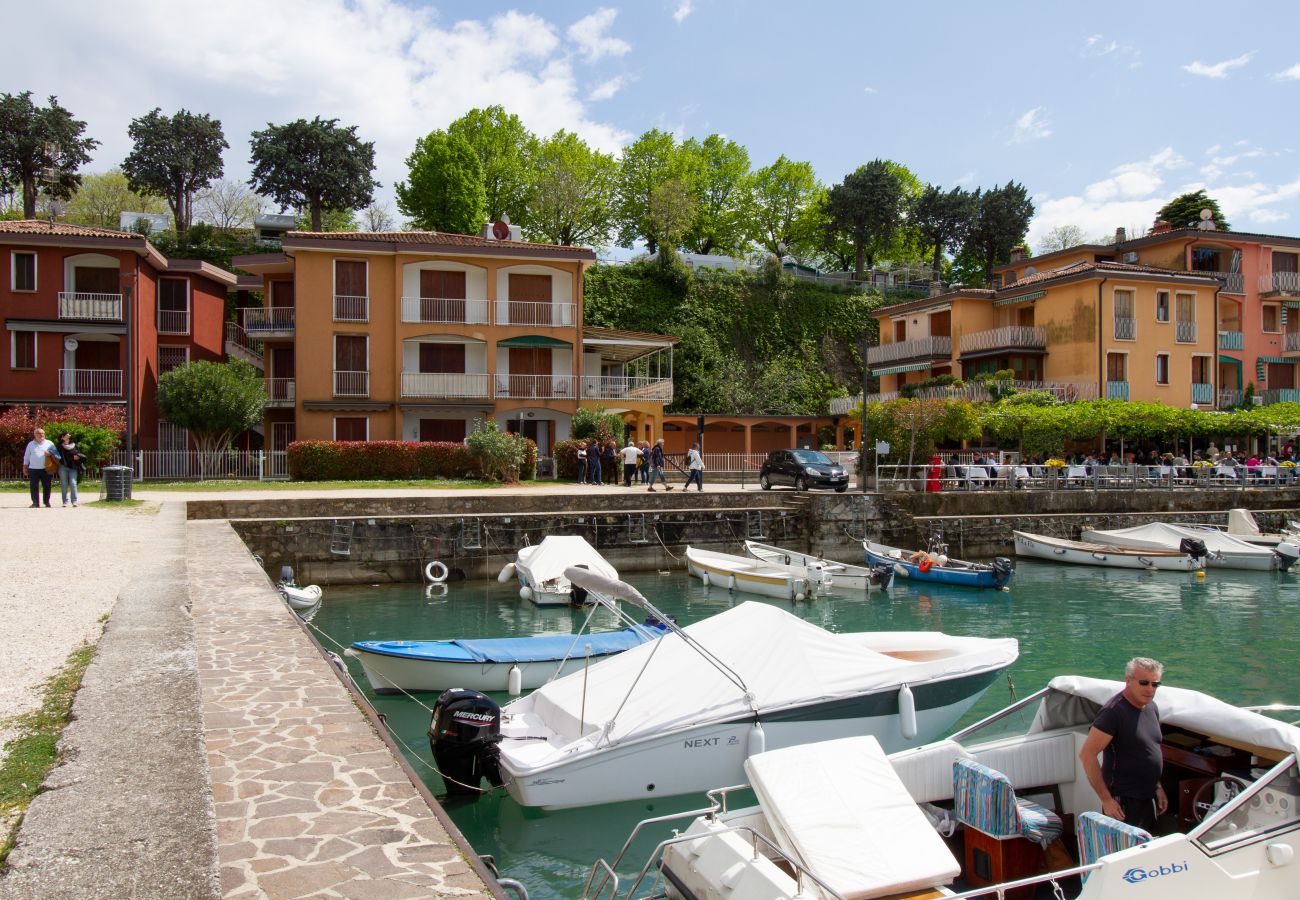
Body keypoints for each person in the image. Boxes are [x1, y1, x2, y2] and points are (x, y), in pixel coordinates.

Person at [1079, 657, 1168, 832]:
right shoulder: (1113, 713)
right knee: (1127, 854)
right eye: (1144, 683)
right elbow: (1087, 755)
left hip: (1148, 797)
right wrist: (1106, 800)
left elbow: (1149, 749)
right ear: (1128, 681)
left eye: (1155, 684)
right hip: (1124, 802)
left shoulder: (1151, 707)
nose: (1150, 689)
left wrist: (1158, 787)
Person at [21, 426, 58, 508]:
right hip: (33, 469)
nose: (41, 435)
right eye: (39, 433)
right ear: (35, 435)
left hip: (46, 469)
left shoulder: (49, 443)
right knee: (33, 486)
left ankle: (46, 502)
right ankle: (35, 503)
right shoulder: (30, 444)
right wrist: (25, 467)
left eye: (42, 433)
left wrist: (50, 454)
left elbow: (57, 455)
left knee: (47, 486)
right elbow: (26, 457)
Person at [56, 432, 85, 507]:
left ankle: (74, 501)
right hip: (63, 467)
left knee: (73, 483)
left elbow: (79, 453)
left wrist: (78, 456)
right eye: (66, 435)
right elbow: (58, 454)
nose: (68, 436)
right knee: (64, 484)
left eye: (69, 435)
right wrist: (63, 441)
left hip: (73, 467)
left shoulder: (74, 445)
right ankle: (65, 501)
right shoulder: (59, 445)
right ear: (62, 437)